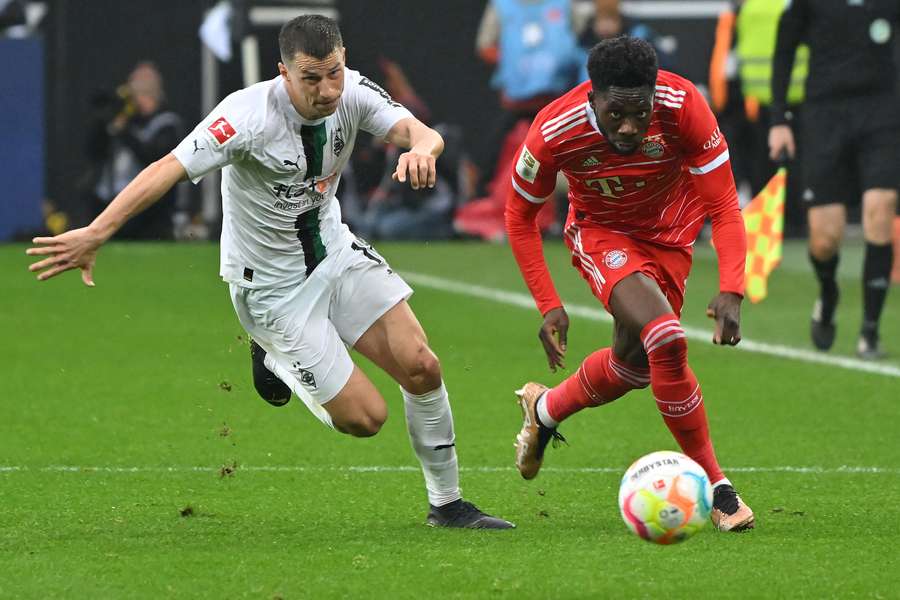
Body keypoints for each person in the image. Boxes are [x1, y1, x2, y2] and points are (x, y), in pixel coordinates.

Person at [26, 15, 512, 530]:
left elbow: (422, 132)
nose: (327, 90)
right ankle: (274, 358)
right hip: (272, 290)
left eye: (334, 73)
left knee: (422, 366)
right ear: (283, 72)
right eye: (311, 78)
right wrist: (98, 231)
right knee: (366, 420)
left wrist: (421, 150)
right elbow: (167, 167)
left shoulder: (351, 92)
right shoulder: (244, 117)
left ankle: (448, 504)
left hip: (336, 254)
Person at [505, 36, 755, 532]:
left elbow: (725, 205)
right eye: (616, 113)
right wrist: (548, 303)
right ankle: (717, 486)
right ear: (591, 97)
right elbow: (519, 216)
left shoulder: (684, 106)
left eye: (639, 114)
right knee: (665, 338)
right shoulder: (554, 129)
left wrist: (733, 286)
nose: (629, 127)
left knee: (633, 365)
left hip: (671, 237)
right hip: (602, 234)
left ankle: (546, 408)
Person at [768, 0, 900, 359]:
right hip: (825, 115)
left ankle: (869, 332)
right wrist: (779, 119)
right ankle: (828, 291)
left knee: (881, 207)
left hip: (882, 111)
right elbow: (784, 49)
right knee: (825, 239)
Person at [85, 62, 182, 239]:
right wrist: (104, 123)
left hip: (149, 208)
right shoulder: (127, 118)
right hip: (113, 198)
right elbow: (94, 152)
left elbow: (155, 159)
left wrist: (125, 132)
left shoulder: (166, 122)